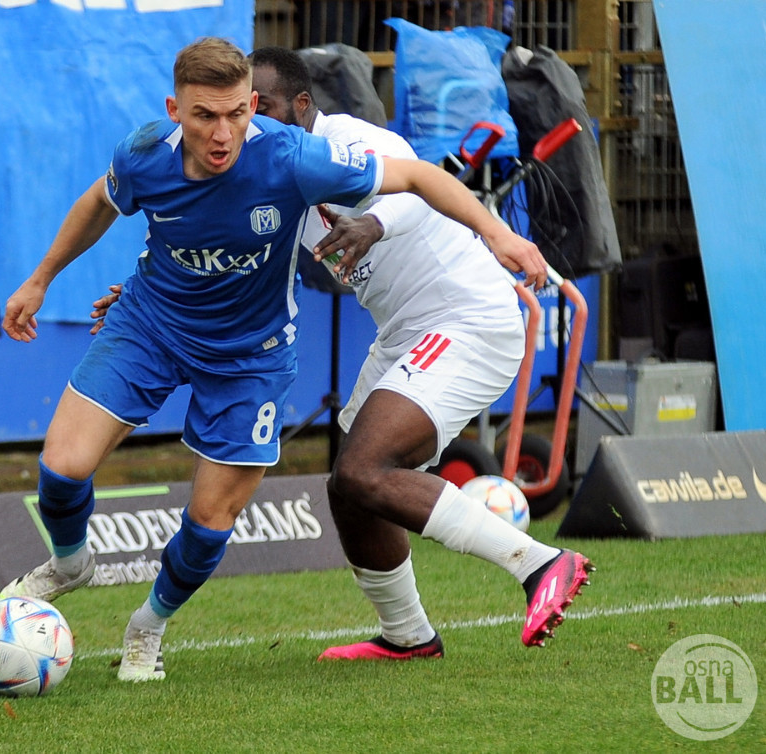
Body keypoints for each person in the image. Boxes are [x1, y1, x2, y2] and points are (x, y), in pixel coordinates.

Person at [0, 37, 547, 683]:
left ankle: (148, 628)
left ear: (254, 106)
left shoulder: (291, 157)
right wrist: (40, 280)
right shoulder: (146, 155)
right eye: (204, 116)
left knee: (208, 525)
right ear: (175, 110)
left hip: (250, 358)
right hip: (150, 326)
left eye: (236, 113)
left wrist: (502, 234)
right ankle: (69, 564)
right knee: (61, 469)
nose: (222, 132)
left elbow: (420, 177)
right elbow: (100, 201)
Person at [247, 46, 594, 658]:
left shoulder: (344, 139)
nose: (251, 121)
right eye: (242, 110)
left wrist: (372, 224)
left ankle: (541, 564)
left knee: (365, 467)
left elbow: (419, 185)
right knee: (348, 485)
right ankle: (407, 637)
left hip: (466, 319)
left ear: (303, 106)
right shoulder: (270, 176)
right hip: (406, 332)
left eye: (264, 107)